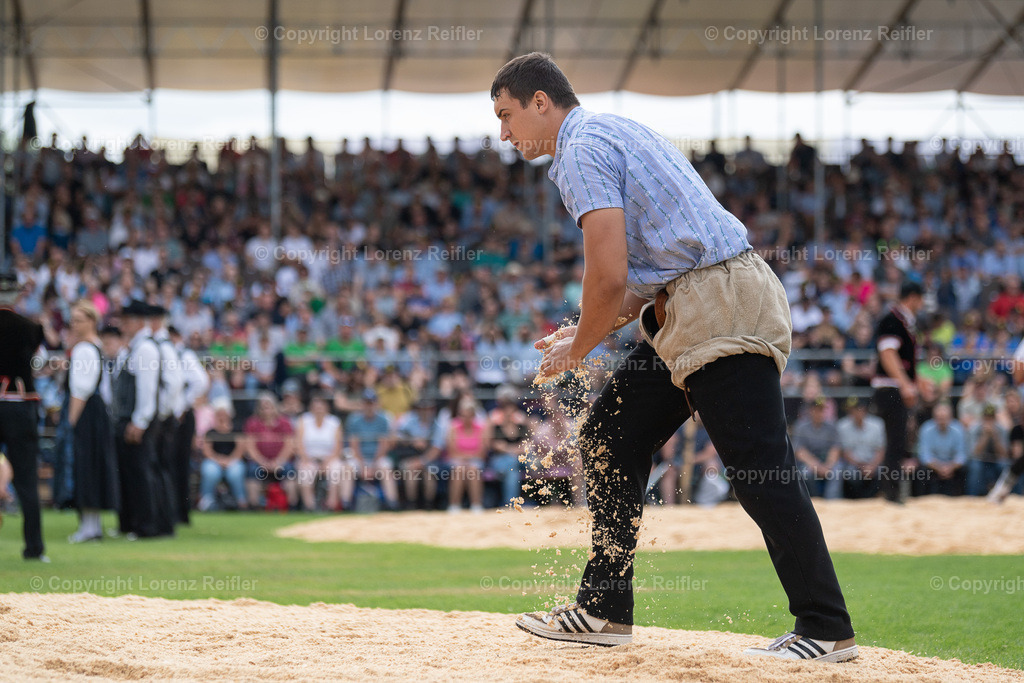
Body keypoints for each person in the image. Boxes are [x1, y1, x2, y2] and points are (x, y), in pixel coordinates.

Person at [492, 53, 855, 660]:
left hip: (720, 304)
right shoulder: (611, 131)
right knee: (610, 432)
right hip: (694, 303)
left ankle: (826, 627)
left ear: (540, 102)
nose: (503, 133)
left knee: (759, 467)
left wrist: (580, 350)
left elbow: (607, 276)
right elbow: (646, 274)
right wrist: (583, 332)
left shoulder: (578, 150)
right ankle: (605, 610)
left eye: (506, 115)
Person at [0, 272, 48, 560]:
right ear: (17, 295)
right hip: (19, 403)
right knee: (27, 479)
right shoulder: (30, 327)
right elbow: (37, 362)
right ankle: (34, 548)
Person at [65, 300, 119, 542]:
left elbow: (80, 389)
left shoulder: (84, 349)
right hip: (98, 412)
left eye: (79, 320)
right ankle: (92, 524)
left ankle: (89, 526)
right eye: (72, 320)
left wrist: (71, 421)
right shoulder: (96, 347)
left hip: (87, 412)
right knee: (93, 467)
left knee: (86, 466)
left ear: (91, 322)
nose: (74, 325)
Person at [112, 300, 163, 539]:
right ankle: (132, 523)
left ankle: (146, 526)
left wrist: (140, 421)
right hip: (130, 418)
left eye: (126, 320)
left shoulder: (145, 349)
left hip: (137, 420)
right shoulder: (132, 348)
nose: (123, 325)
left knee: (141, 473)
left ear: (136, 321)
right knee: (131, 473)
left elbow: (147, 388)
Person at [872, 281, 925, 503]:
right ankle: (891, 494)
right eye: (921, 300)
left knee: (897, 441)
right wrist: (905, 384)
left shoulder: (900, 321)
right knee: (896, 442)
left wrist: (917, 381)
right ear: (913, 298)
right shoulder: (893, 320)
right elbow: (888, 354)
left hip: (892, 387)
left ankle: (890, 491)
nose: (922, 305)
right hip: (890, 388)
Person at [148, 304, 184, 535]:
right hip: (164, 415)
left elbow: (174, 384)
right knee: (161, 469)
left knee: (159, 469)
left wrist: (163, 412)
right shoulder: (162, 346)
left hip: (162, 417)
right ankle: (162, 520)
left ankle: (163, 522)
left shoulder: (163, 347)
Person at [169, 325, 210, 524]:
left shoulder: (184, 356)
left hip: (181, 417)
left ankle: (180, 512)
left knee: (179, 464)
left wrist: (183, 405)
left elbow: (201, 382)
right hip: (176, 415)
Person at [344, 389, 399, 510]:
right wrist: (363, 466)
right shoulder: (354, 419)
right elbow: (354, 445)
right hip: (359, 457)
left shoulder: (383, 419)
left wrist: (373, 466)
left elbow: (383, 445)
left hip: (377, 457)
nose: (369, 406)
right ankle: (345, 503)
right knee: (348, 467)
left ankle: (392, 502)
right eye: (367, 402)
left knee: (385, 467)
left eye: (371, 402)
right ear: (362, 404)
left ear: (376, 404)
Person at [243, 392, 298, 509]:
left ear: (275, 407)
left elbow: (289, 446)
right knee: (252, 471)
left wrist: (279, 461)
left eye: (268, 406)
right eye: (263, 407)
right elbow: (250, 447)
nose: (266, 410)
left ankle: (291, 505)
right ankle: (255, 506)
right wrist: (262, 462)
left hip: (281, 461)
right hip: (259, 462)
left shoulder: (285, 422)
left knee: (289, 471)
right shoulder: (252, 423)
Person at [295, 394, 344, 511]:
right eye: (315, 407)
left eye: (321, 407)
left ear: (326, 408)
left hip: (329, 458)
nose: (318, 409)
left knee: (335, 470)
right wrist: (306, 459)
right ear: (311, 408)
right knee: (305, 472)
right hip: (309, 458)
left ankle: (331, 505)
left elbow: (338, 446)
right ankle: (310, 506)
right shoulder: (303, 420)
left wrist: (326, 462)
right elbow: (299, 444)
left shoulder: (334, 422)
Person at [198, 400, 247, 511]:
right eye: (219, 414)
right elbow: (207, 451)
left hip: (233, 460)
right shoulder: (210, 432)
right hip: (214, 461)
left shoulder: (237, 430)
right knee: (210, 471)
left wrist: (229, 460)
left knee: (235, 472)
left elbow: (240, 449)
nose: (221, 416)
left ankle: (241, 500)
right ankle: (206, 501)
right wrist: (218, 460)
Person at [446, 396, 491, 513]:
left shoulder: (481, 428)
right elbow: (451, 450)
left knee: (473, 469)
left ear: (473, 415)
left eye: (468, 415)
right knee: (459, 469)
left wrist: (467, 457)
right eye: (463, 415)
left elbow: (483, 450)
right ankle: (454, 505)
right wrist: (467, 456)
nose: (465, 418)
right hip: (457, 459)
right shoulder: (453, 426)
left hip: (475, 460)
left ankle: (476, 504)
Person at [792, 397, 843, 499]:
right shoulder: (801, 426)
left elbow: (836, 449)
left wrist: (828, 465)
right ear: (811, 410)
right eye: (817, 409)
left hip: (827, 460)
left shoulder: (831, 425)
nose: (820, 413)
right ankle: (813, 499)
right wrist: (817, 466)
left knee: (837, 471)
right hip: (809, 462)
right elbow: (799, 451)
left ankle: (832, 502)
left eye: (822, 409)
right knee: (806, 473)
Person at [835, 398, 886, 499]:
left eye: (858, 409)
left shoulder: (877, 424)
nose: (855, 412)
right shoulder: (842, 426)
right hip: (854, 465)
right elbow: (845, 452)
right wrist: (862, 466)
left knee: (886, 472)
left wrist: (872, 466)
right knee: (850, 474)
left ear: (864, 410)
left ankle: (876, 498)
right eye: (853, 410)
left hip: (873, 463)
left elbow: (880, 450)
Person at [917, 402, 968, 496]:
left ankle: (961, 496)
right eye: (939, 418)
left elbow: (961, 455)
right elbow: (925, 455)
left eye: (944, 418)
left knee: (965, 469)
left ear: (950, 417)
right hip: (933, 466)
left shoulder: (958, 429)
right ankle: (923, 497)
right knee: (922, 470)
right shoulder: (926, 429)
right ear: (934, 417)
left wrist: (950, 467)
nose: (942, 421)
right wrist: (939, 467)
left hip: (952, 466)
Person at [966, 403, 1008, 496]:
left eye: (991, 418)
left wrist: (995, 437)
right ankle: (972, 496)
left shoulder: (1002, 429)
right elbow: (974, 453)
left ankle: (1007, 496)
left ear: (995, 418)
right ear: (982, 418)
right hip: (979, 460)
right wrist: (984, 437)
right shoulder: (974, 428)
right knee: (975, 467)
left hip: (996, 461)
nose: (989, 421)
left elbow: (1004, 454)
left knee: (1004, 465)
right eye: (986, 418)